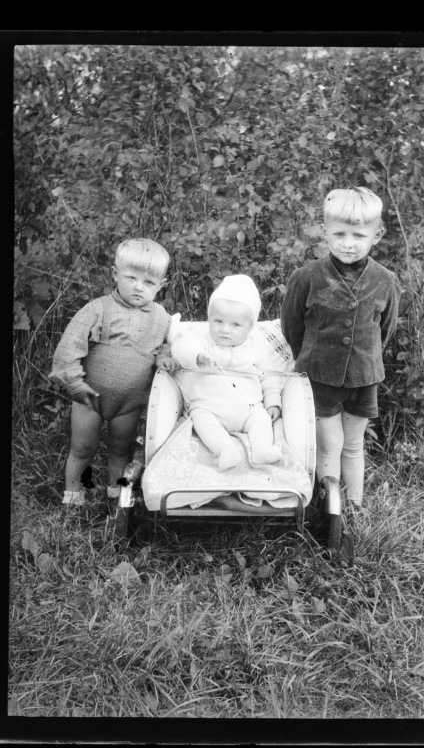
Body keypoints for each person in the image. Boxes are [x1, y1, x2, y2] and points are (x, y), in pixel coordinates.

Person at [281, 187, 400, 513]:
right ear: (325, 232)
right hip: (320, 379)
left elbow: (385, 329)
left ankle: (355, 506)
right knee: (329, 445)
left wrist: (365, 358)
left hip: (364, 378)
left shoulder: (385, 280)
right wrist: (312, 359)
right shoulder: (306, 277)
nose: (349, 243)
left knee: (353, 444)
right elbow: (292, 327)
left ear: (377, 235)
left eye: (359, 235)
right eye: (340, 234)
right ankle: (329, 511)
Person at [50, 238, 172, 507]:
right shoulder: (98, 309)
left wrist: (165, 358)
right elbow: (69, 349)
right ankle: (73, 498)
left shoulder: (161, 318)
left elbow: (166, 346)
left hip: (128, 403)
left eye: (149, 282)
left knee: (121, 449)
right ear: (115, 274)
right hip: (90, 398)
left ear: (161, 285)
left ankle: (118, 500)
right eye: (131, 278)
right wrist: (75, 384)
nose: (139, 287)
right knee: (83, 448)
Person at [170, 274, 283, 470]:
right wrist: (198, 356)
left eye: (235, 325)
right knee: (202, 420)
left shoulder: (256, 350)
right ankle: (225, 450)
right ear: (209, 319)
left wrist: (273, 402)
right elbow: (181, 349)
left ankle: (261, 451)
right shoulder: (202, 341)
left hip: (248, 409)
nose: (225, 330)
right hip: (208, 407)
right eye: (218, 321)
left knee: (262, 419)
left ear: (250, 327)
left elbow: (270, 378)